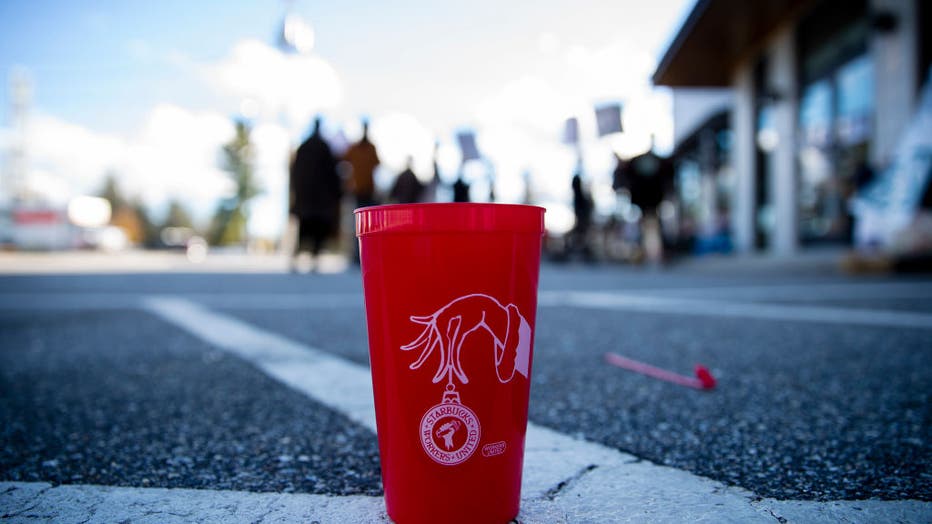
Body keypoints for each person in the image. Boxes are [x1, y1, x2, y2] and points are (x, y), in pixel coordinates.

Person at [289, 117, 342, 272]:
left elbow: (295, 172)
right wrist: (336, 194)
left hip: (307, 197)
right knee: (314, 230)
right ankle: (311, 259)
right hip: (318, 199)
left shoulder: (305, 147)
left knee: (305, 229)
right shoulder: (323, 147)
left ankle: (301, 259)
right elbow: (333, 174)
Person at [343, 119, 380, 209]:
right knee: (360, 211)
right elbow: (344, 158)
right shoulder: (355, 147)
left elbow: (377, 163)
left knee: (367, 211)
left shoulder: (371, 148)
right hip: (358, 188)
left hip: (368, 187)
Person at [570, 171, 594, 261]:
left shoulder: (579, 194)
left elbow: (583, 208)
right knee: (581, 235)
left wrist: (583, 219)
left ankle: (583, 253)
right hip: (582, 219)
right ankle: (582, 253)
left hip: (583, 219)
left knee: (581, 235)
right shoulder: (578, 194)